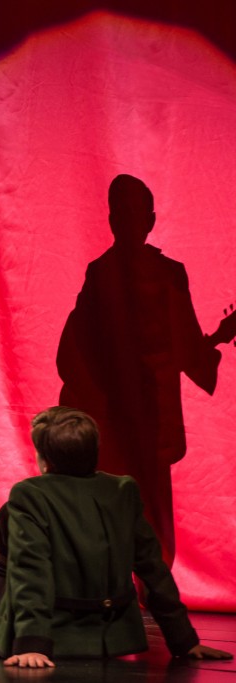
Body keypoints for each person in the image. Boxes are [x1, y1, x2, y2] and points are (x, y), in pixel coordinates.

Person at [0, 407, 233, 668]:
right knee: (6, 518)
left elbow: (32, 572)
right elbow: (154, 569)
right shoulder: (122, 490)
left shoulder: (29, 494)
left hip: (51, 634)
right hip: (114, 636)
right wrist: (184, 641)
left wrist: (32, 644)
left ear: (46, 460)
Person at [56, 174, 236, 565]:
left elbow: (72, 351)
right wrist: (219, 339)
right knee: (151, 511)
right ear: (150, 220)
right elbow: (187, 350)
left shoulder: (99, 271)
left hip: (109, 419)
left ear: (112, 219)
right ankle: (153, 594)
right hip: (150, 417)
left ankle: (105, 585)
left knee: (107, 507)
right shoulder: (168, 273)